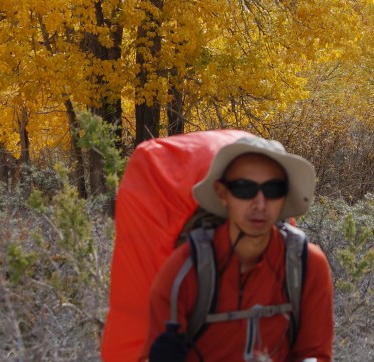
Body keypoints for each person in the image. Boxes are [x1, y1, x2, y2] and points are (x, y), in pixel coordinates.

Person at [142, 136, 333, 362]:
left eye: (273, 189)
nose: (260, 204)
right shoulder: (185, 269)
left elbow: (315, 353)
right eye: (244, 189)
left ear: (284, 196)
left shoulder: (306, 264)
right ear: (222, 194)